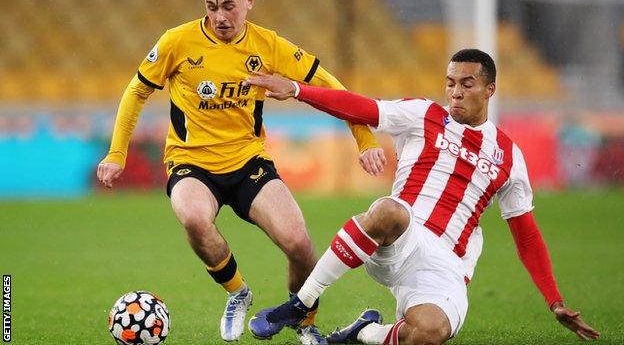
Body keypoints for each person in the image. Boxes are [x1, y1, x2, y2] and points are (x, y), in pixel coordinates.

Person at [244, 49, 600, 344]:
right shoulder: (423, 114)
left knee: (429, 333)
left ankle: (363, 332)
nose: (455, 92)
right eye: (450, 83)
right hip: (401, 236)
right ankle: (301, 303)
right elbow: (359, 107)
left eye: (466, 84)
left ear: (490, 89)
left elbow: (527, 236)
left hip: (447, 264)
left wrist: (554, 301)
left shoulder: (508, 155)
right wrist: (296, 89)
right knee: (388, 210)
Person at [96, 0, 386, 344]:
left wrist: (365, 138)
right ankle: (237, 293)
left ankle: (305, 324)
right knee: (193, 217)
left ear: (249, 0)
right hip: (191, 162)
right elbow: (135, 91)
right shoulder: (177, 41)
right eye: (211, 5)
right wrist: (116, 153)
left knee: (299, 244)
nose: (219, 16)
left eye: (229, 5)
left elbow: (328, 85)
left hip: (248, 162)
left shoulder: (268, 44)